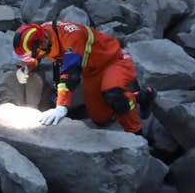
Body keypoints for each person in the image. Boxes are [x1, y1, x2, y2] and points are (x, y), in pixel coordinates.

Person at [13, 20, 155, 134]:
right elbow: (38, 54)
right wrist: (26, 68)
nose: (36, 55)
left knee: (114, 96)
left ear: (42, 41)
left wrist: (61, 107)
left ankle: (136, 132)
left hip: (113, 61)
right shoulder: (43, 34)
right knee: (100, 119)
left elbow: (70, 75)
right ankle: (140, 96)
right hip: (91, 72)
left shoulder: (73, 36)